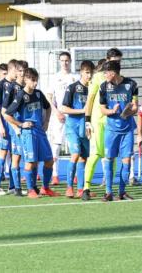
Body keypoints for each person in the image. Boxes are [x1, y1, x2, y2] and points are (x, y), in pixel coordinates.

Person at [5, 68, 58, 198]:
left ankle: (45, 188)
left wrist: (46, 122)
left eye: (36, 80)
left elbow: (48, 107)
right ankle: (30, 190)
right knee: (30, 162)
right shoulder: (21, 96)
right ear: (26, 80)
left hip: (40, 131)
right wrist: (21, 124)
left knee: (49, 160)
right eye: (33, 80)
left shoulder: (39, 94)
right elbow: (7, 114)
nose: (35, 83)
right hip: (28, 133)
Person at [82, 49, 123, 200]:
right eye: (114, 60)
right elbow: (90, 99)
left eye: (119, 61)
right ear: (107, 60)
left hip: (112, 122)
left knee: (111, 156)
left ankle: (109, 188)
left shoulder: (120, 79)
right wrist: (87, 121)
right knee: (95, 154)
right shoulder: (98, 77)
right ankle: (86, 188)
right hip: (97, 122)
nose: (117, 63)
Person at [99, 60, 138, 202]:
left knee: (126, 160)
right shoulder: (104, 87)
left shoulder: (131, 84)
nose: (104, 75)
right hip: (111, 129)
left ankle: (122, 192)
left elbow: (135, 107)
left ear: (114, 72)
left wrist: (129, 111)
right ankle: (108, 192)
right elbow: (102, 109)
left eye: (106, 72)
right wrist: (111, 111)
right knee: (109, 159)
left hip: (127, 129)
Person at [61, 60, 95, 198]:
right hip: (73, 127)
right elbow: (64, 108)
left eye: (91, 73)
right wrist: (82, 110)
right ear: (81, 72)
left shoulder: (93, 89)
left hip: (86, 128)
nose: (89, 76)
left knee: (83, 158)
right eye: (87, 72)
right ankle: (69, 187)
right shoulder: (73, 88)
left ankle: (81, 189)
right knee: (75, 155)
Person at [46, 51, 78, 185]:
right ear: (59, 62)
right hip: (58, 116)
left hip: (73, 116)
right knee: (56, 146)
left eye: (67, 60)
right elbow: (49, 97)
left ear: (70, 61)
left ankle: (75, 175)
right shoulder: (54, 77)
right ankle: (55, 175)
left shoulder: (75, 78)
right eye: (62, 61)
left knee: (74, 146)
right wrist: (56, 112)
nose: (64, 63)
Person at [2, 60, 29, 195]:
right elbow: (4, 111)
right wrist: (15, 126)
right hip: (17, 128)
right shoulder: (12, 88)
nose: (23, 73)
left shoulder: (29, 87)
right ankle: (17, 188)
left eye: (25, 71)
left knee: (29, 158)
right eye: (20, 71)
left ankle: (30, 187)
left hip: (28, 128)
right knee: (16, 157)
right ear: (16, 72)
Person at [0, 59, 17, 195]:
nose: (19, 73)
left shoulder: (15, 85)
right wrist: (0, 125)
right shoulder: (0, 85)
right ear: (12, 69)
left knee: (15, 154)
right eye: (17, 71)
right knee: (2, 153)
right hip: (4, 123)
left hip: (13, 123)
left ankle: (12, 186)